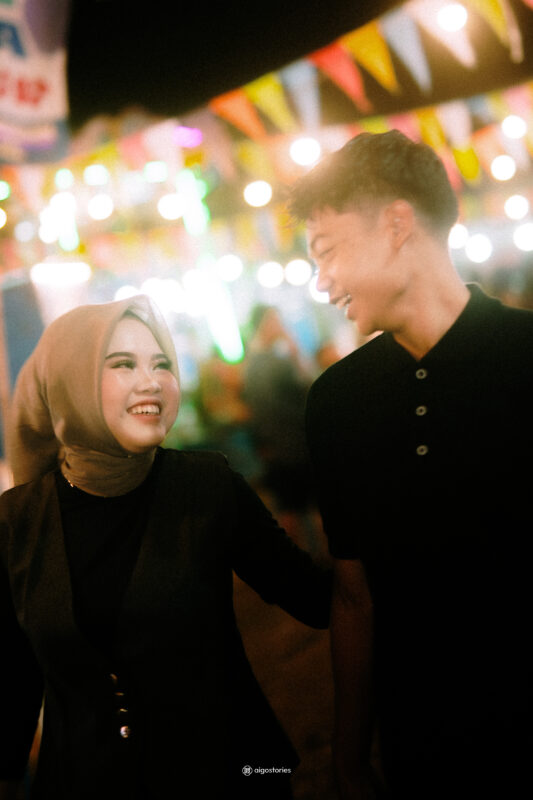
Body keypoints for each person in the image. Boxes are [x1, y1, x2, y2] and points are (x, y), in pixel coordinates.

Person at [0, 295, 331, 800]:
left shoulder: (206, 486)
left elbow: (316, 598)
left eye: (161, 364)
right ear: (69, 383)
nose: (151, 381)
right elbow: (15, 676)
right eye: (122, 365)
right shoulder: (18, 519)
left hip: (232, 775)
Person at [288, 130, 533, 799]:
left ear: (397, 224)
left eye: (326, 250)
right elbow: (353, 594)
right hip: (420, 742)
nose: (321, 281)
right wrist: (348, 757)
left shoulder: (523, 356)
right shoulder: (336, 402)